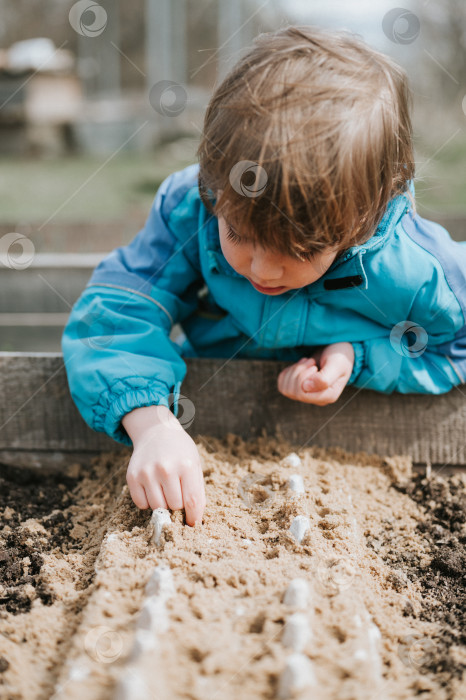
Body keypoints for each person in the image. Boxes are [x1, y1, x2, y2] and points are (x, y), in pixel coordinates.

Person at [61, 25, 466, 528]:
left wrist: (357, 357)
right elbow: (117, 310)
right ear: (216, 184)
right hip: (208, 412)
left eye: (301, 249)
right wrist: (152, 422)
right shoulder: (192, 212)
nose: (262, 268)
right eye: (239, 234)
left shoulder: (418, 267)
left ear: (363, 219)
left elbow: (455, 343)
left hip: (336, 443)